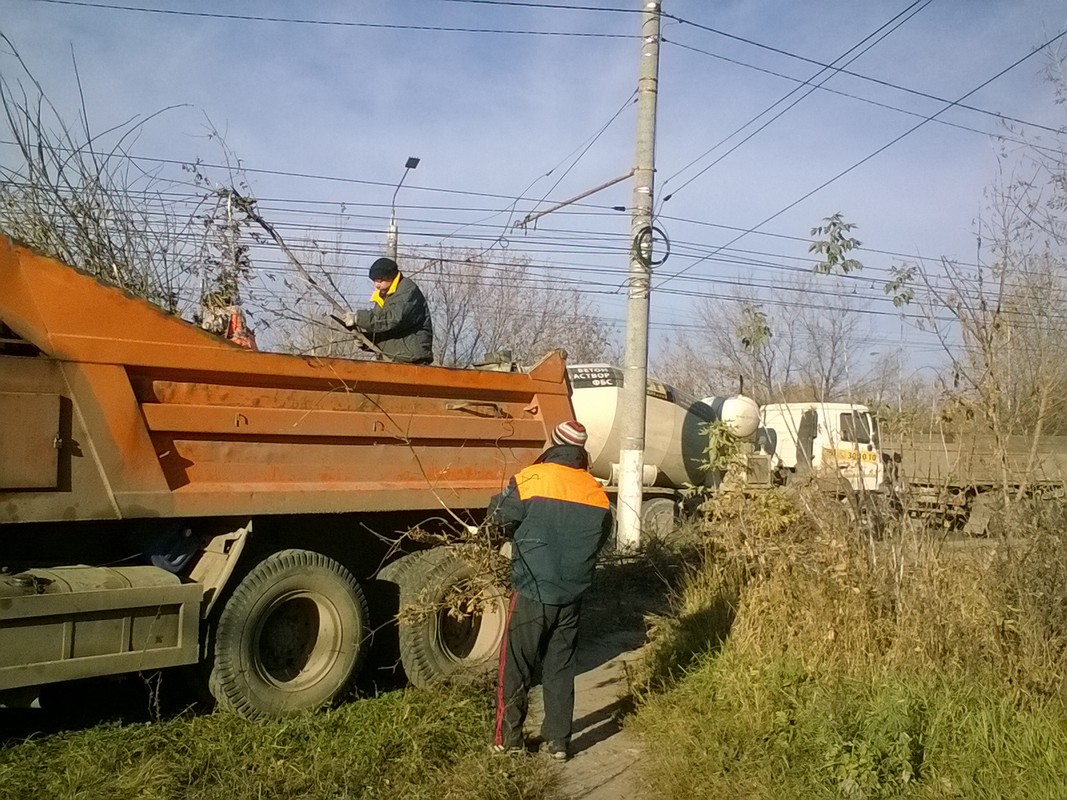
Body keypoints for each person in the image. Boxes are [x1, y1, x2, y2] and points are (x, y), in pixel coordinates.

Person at [488, 419, 613, 760]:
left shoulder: (530, 478)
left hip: (531, 589)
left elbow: (499, 521)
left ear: (554, 444)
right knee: (560, 667)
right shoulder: (596, 492)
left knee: (515, 666)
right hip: (572, 594)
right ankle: (558, 742)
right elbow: (602, 539)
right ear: (581, 452)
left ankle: (507, 741)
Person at [342, 256, 433, 364]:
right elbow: (386, 330)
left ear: (390, 277)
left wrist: (359, 318)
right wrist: (367, 340)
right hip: (394, 358)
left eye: (379, 281)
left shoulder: (407, 291)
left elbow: (392, 319)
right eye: (374, 281)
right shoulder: (384, 295)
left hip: (410, 359)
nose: (376, 285)